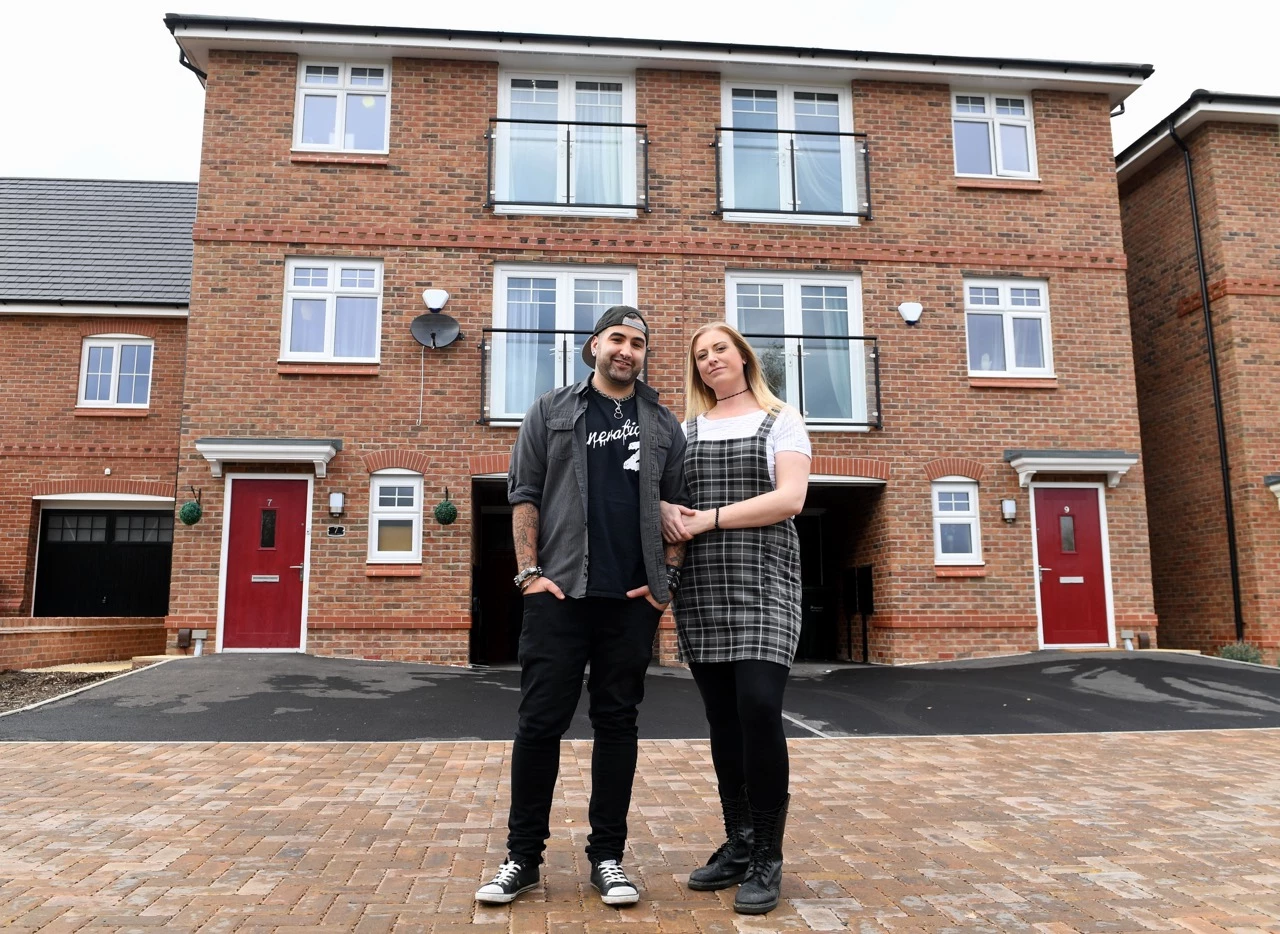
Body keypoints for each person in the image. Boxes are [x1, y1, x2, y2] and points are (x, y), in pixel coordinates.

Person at [475, 305, 690, 908]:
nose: (627, 350)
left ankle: (608, 858)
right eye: (617, 339)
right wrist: (528, 574)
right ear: (594, 345)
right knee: (540, 725)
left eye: (639, 342)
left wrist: (662, 585)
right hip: (559, 596)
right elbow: (523, 496)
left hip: (629, 600)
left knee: (617, 725)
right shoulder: (550, 410)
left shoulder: (664, 424)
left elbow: (677, 511)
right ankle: (522, 858)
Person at [661, 322, 811, 915]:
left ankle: (769, 857)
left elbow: (790, 499)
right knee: (723, 721)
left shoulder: (784, 420)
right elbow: (666, 496)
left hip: (765, 583)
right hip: (702, 587)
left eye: (719, 348)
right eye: (700, 355)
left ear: (744, 356)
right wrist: (670, 509)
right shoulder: (684, 431)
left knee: (757, 708)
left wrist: (707, 519)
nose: (710, 359)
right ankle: (741, 843)